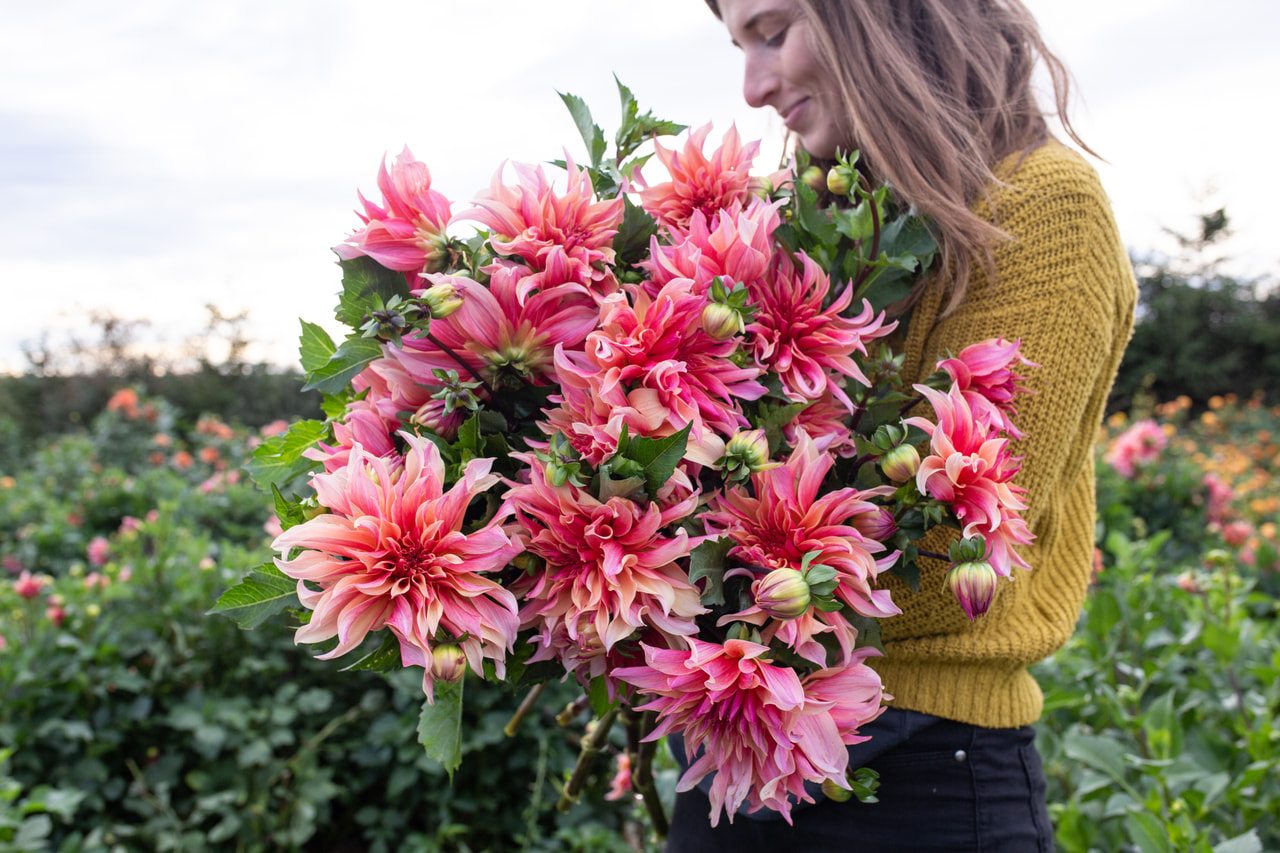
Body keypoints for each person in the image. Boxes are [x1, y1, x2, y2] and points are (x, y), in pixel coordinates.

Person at [665, 1, 1137, 850]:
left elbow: (945, 554)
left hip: (921, 778)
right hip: (738, 762)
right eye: (738, 46)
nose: (753, 87)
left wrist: (651, 567)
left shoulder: (1038, 206)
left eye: (772, 33)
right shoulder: (805, 216)